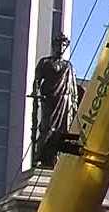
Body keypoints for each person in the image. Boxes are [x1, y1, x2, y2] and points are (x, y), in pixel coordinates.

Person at [30, 33, 79, 168]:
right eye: (58, 45)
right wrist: (36, 92)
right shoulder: (45, 62)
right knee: (47, 128)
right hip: (50, 100)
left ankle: (56, 159)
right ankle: (40, 156)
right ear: (54, 46)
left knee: (62, 131)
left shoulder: (69, 66)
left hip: (64, 102)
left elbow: (73, 88)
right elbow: (37, 80)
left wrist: (74, 104)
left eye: (64, 45)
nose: (61, 48)